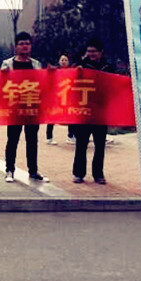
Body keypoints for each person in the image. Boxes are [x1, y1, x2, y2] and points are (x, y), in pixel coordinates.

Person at [1, 32, 49, 183]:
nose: (24, 46)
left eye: (27, 43)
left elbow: (43, 84)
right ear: (16, 46)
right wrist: (3, 75)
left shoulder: (36, 64)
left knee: (32, 140)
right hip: (15, 108)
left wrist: (51, 74)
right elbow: (1, 85)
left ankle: (33, 171)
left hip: (32, 107)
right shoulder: (7, 64)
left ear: (31, 46)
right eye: (21, 43)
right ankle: (9, 170)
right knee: (12, 139)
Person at [72, 38, 115, 184]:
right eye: (89, 51)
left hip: (101, 112)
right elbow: (71, 83)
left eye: (94, 51)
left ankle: (98, 174)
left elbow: (114, 86)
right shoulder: (81, 66)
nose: (91, 54)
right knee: (81, 144)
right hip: (84, 112)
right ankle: (79, 173)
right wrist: (76, 73)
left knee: (100, 145)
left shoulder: (108, 67)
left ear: (101, 52)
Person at [46, 54, 72, 145]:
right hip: (56, 97)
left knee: (71, 116)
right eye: (62, 60)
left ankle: (71, 136)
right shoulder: (54, 71)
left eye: (65, 60)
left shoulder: (71, 72)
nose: (64, 62)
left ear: (68, 62)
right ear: (59, 62)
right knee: (52, 117)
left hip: (67, 97)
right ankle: (49, 137)